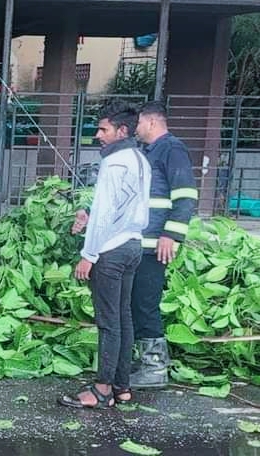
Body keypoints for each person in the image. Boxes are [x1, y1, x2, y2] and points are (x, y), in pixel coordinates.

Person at [61, 100, 151, 409]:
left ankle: (100, 390)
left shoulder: (114, 163)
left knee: (109, 324)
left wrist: (89, 254)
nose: (98, 135)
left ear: (121, 130)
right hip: (133, 245)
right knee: (124, 320)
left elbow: (103, 213)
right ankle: (121, 387)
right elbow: (130, 208)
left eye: (103, 129)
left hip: (110, 251)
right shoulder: (140, 159)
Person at [129, 101, 197, 389]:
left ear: (152, 123)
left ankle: (155, 367)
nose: (136, 129)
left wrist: (171, 235)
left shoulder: (172, 149)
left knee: (146, 304)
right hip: (141, 243)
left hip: (156, 243)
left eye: (139, 123)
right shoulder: (149, 151)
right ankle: (143, 361)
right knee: (136, 303)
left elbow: (186, 196)